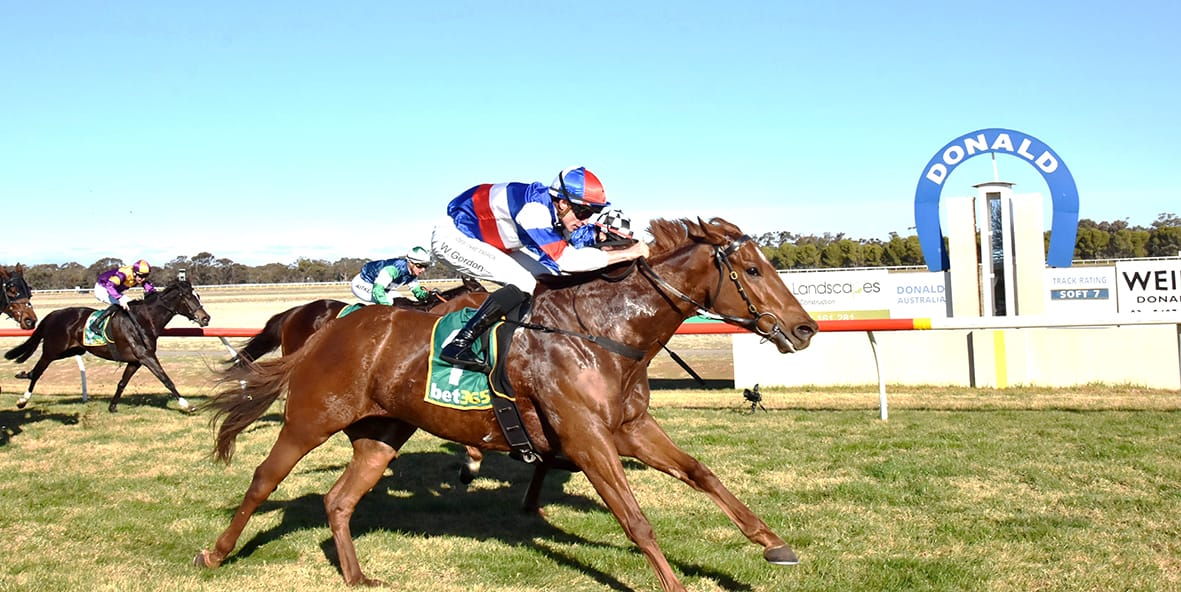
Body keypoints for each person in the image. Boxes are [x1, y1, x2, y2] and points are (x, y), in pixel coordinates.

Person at [432, 166, 649, 370]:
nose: (585, 221)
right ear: (563, 203)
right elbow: (568, 261)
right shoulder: (535, 211)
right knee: (523, 282)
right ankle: (459, 344)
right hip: (454, 237)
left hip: (491, 242)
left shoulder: (558, 213)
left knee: (547, 277)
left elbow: (569, 261)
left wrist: (619, 249)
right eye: (583, 212)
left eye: (591, 214)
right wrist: (627, 253)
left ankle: (520, 339)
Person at [350, 247, 433, 305]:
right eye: (420, 266)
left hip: (380, 287)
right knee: (391, 302)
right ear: (410, 262)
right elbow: (377, 291)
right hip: (362, 284)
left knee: (402, 300)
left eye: (425, 266)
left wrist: (429, 296)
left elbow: (418, 292)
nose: (423, 270)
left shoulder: (412, 273)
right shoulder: (393, 270)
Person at [90, 259, 156, 332]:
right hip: (102, 288)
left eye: (146, 276)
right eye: (141, 276)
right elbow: (109, 286)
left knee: (131, 304)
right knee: (121, 303)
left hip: (113, 290)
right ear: (134, 273)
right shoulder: (123, 274)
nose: (143, 279)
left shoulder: (138, 276)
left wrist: (154, 294)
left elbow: (148, 287)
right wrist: (119, 298)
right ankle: (95, 324)